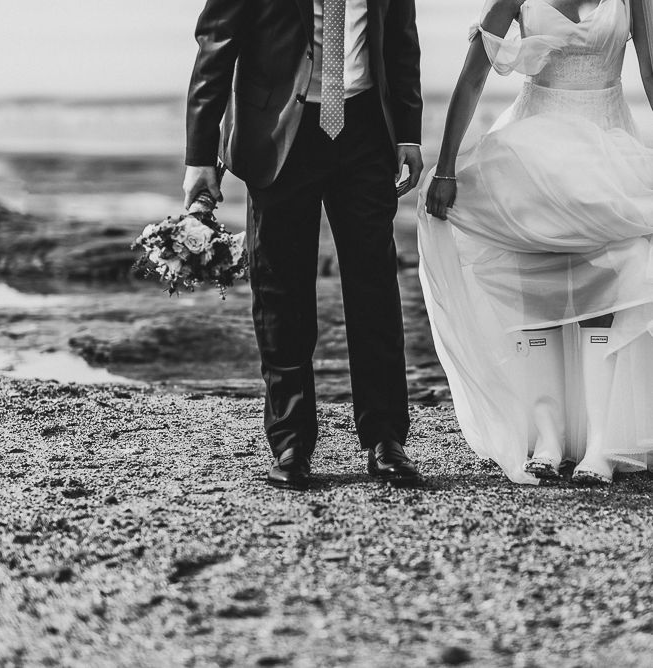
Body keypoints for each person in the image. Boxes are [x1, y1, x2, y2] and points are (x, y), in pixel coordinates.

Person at [183, 0, 424, 490]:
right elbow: (216, 45)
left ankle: (384, 440)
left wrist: (409, 133)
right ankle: (291, 441)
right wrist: (200, 155)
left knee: (375, 288)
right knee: (281, 292)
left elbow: (400, 40)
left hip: (365, 131)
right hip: (278, 136)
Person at [419, 0, 653, 485]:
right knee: (534, 290)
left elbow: (651, 73)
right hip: (531, 150)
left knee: (609, 287)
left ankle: (600, 446)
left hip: (607, 146)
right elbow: (472, 77)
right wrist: (445, 167)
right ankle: (546, 439)